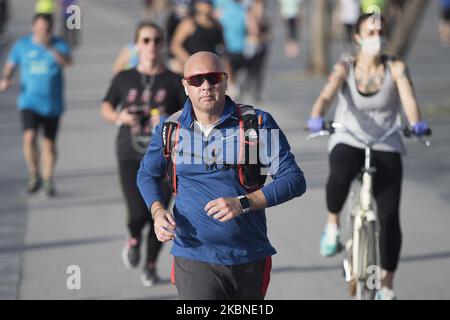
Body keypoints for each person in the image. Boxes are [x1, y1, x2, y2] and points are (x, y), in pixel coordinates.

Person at [137, 51, 306, 300]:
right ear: (185, 86)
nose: (206, 86)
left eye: (213, 78)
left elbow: (293, 179)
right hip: (193, 255)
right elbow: (147, 173)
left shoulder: (255, 123)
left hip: (249, 256)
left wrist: (243, 203)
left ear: (225, 81)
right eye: (197, 80)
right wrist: (157, 211)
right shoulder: (170, 128)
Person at [307, 14, 431, 300]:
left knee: (389, 217)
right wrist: (316, 116)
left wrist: (416, 123)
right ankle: (332, 226)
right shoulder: (346, 66)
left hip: (386, 141)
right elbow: (327, 94)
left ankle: (386, 285)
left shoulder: (395, 66)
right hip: (348, 137)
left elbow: (408, 98)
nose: (377, 35)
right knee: (339, 174)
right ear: (358, 37)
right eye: (370, 30)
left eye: (380, 30)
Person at [101, 21, 186, 287]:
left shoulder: (173, 80)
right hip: (130, 153)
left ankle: (150, 265)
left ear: (162, 45)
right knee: (138, 212)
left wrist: (170, 120)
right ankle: (133, 236)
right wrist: (119, 116)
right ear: (136, 45)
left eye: (157, 40)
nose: (151, 46)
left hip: (165, 158)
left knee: (160, 213)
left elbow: (188, 116)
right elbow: (105, 106)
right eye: (146, 40)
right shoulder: (123, 78)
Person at [0, 13, 71, 197]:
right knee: (29, 137)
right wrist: (6, 78)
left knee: (49, 145)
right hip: (29, 101)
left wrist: (50, 48)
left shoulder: (58, 44)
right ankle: (33, 173)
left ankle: (48, 178)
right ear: (33, 27)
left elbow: (68, 62)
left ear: (51, 29)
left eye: (46, 29)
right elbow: (10, 64)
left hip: (53, 104)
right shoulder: (22, 45)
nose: (42, 32)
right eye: (39, 28)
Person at [170, 0, 224, 69]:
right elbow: (175, 46)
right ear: (197, 5)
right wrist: (191, 62)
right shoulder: (189, 23)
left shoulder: (217, 26)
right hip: (192, 69)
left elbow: (222, 49)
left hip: (211, 67)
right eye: (205, 2)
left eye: (210, 2)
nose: (208, 4)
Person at [242, 0, 270, 103]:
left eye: (262, 6)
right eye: (258, 6)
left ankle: (256, 93)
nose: (260, 8)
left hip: (262, 46)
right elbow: (253, 31)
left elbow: (267, 32)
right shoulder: (249, 15)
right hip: (251, 47)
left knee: (259, 71)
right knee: (250, 70)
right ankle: (244, 89)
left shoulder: (263, 17)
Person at [166, 0, 191, 74]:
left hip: (188, 54)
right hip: (176, 56)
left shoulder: (191, 19)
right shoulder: (172, 19)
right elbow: (170, 41)